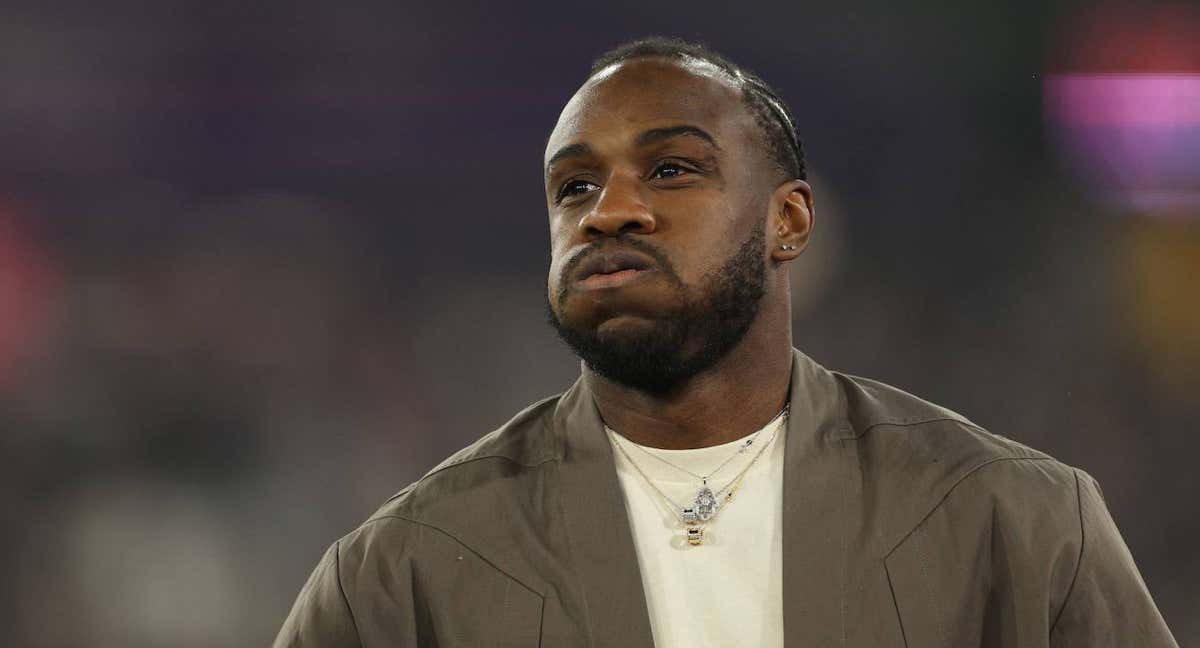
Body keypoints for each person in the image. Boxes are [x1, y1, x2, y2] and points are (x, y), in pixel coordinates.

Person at [274, 37, 1178, 648]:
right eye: (573, 187)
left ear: (788, 221)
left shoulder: (1013, 523)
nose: (609, 211)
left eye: (672, 169)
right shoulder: (404, 569)